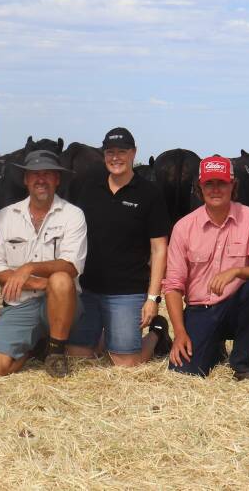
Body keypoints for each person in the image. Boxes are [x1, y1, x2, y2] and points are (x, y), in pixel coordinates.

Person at [162, 155, 249, 379]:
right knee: (184, 373)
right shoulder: (183, 227)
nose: (215, 189)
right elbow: (173, 286)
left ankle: (242, 361)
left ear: (233, 186)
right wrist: (179, 333)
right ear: (199, 187)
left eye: (222, 183)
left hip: (238, 307)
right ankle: (212, 348)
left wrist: (238, 271)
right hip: (201, 310)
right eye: (209, 183)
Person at [66, 127, 172, 366]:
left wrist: (152, 298)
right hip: (89, 290)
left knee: (125, 364)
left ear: (133, 153)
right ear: (103, 155)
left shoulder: (149, 194)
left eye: (122, 151)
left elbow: (159, 249)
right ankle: (111, 334)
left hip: (128, 291)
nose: (116, 157)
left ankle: (157, 333)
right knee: (76, 356)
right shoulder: (89, 189)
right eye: (110, 152)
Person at [0, 150, 87, 378]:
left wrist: (27, 268)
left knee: (60, 279)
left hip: (62, 303)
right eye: (35, 174)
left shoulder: (73, 215)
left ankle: (56, 353)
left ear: (57, 180)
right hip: (20, 305)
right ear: (25, 180)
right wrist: (37, 283)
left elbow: (70, 266)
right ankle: (36, 349)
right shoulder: (5, 216)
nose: (41, 180)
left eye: (48, 174)